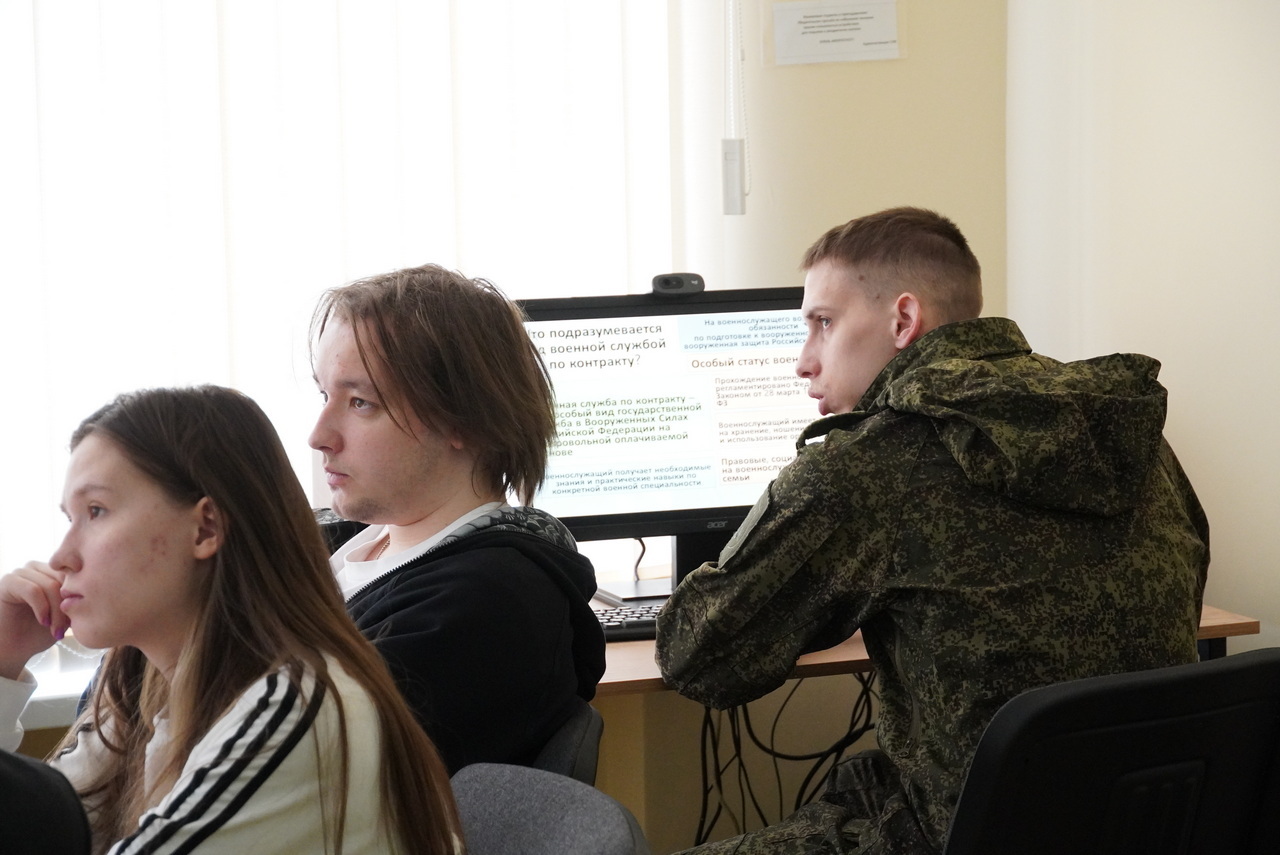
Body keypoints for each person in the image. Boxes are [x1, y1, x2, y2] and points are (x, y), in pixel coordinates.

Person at [655, 207, 1210, 854]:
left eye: (823, 323)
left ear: (903, 320)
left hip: (958, 834)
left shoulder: (866, 465)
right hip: (1151, 823)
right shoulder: (1125, 432)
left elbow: (698, 657)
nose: (804, 362)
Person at [0, 386, 461, 855]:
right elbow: (36, 831)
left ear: (206, 528)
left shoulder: (295, 705)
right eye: (70, 518)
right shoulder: (143, 684)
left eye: (96, 512)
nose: (61, 557)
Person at [309, 263, 606, 774]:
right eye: (324, 395)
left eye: (361, 402)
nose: (319, 436)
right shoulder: (359, 543)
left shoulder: (482, 606)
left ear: (462, 419)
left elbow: (298, 765)